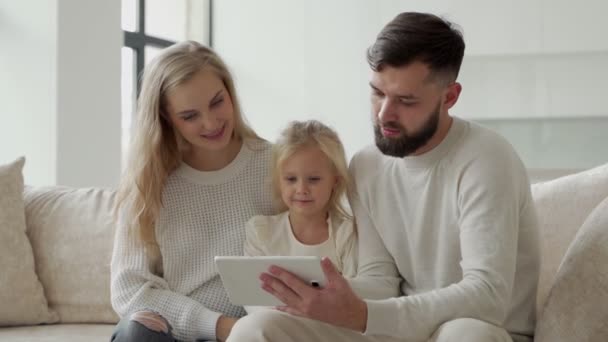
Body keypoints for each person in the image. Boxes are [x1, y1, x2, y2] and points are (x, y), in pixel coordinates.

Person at [227, 12, 540, 342]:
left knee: (465, 334)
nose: (383, 114)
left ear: (449, 97)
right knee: (258, 328)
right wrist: (315, 297)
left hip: (476, 328)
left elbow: (487, 296)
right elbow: (381, 280)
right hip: (395, 330)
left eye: (406, 100)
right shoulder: (367, 164)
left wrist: (364, 315)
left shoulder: (486, 158)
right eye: (377, 92)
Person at [110, 41, 275, 342]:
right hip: (180, 334)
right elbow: (129, 288)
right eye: (189, 116)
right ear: (165, 117)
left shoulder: (278, 167)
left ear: (230, 92)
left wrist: (248, 331)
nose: (210, 123)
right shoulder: (148, 185)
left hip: (256, 333)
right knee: (136, 331)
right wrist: (219, 326)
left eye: (217, 102)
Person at [243, 120, 357, 313]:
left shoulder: (345, 233)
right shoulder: (261, 231)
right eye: (291, 179)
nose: (301, 189)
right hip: (274, 327)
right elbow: (252, 298)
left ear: (335, 182)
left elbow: (353, 296)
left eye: (313, 179)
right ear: (279, 181)